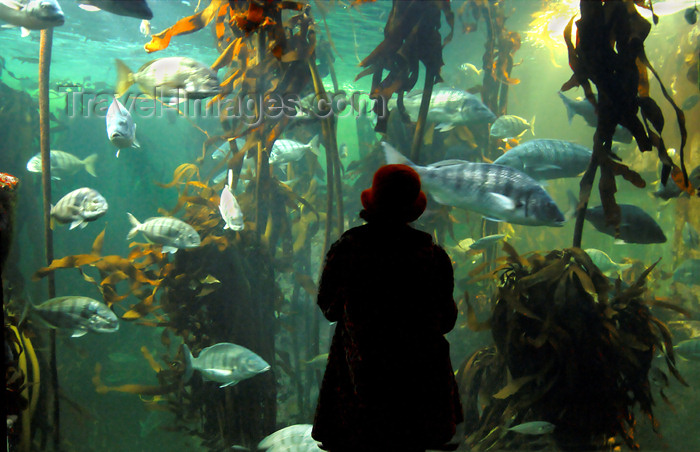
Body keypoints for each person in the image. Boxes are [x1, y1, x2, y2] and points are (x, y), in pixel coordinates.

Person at [312, 164, 463, 452]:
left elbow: (328, 306)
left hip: (358, 384)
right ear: (413, 210)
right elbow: (446, 320)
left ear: (374, 203)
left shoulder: (348, 248)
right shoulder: (432, 255)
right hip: (417, 390)